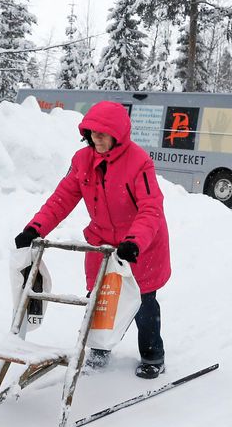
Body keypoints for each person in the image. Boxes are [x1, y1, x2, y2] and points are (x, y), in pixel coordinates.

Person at [14, 100, 171, 379]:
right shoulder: (82, 161)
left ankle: (152, 354)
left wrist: (134, 241)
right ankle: (100, 350)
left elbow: (151, 207)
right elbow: (62, 199)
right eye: (91, 132)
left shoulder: (138, 163)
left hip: (139, 247)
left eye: (103, 132)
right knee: (100, 298)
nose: (96, 137)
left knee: (143, 303)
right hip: (102, 244)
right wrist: (35, 229)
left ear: (118, 134)